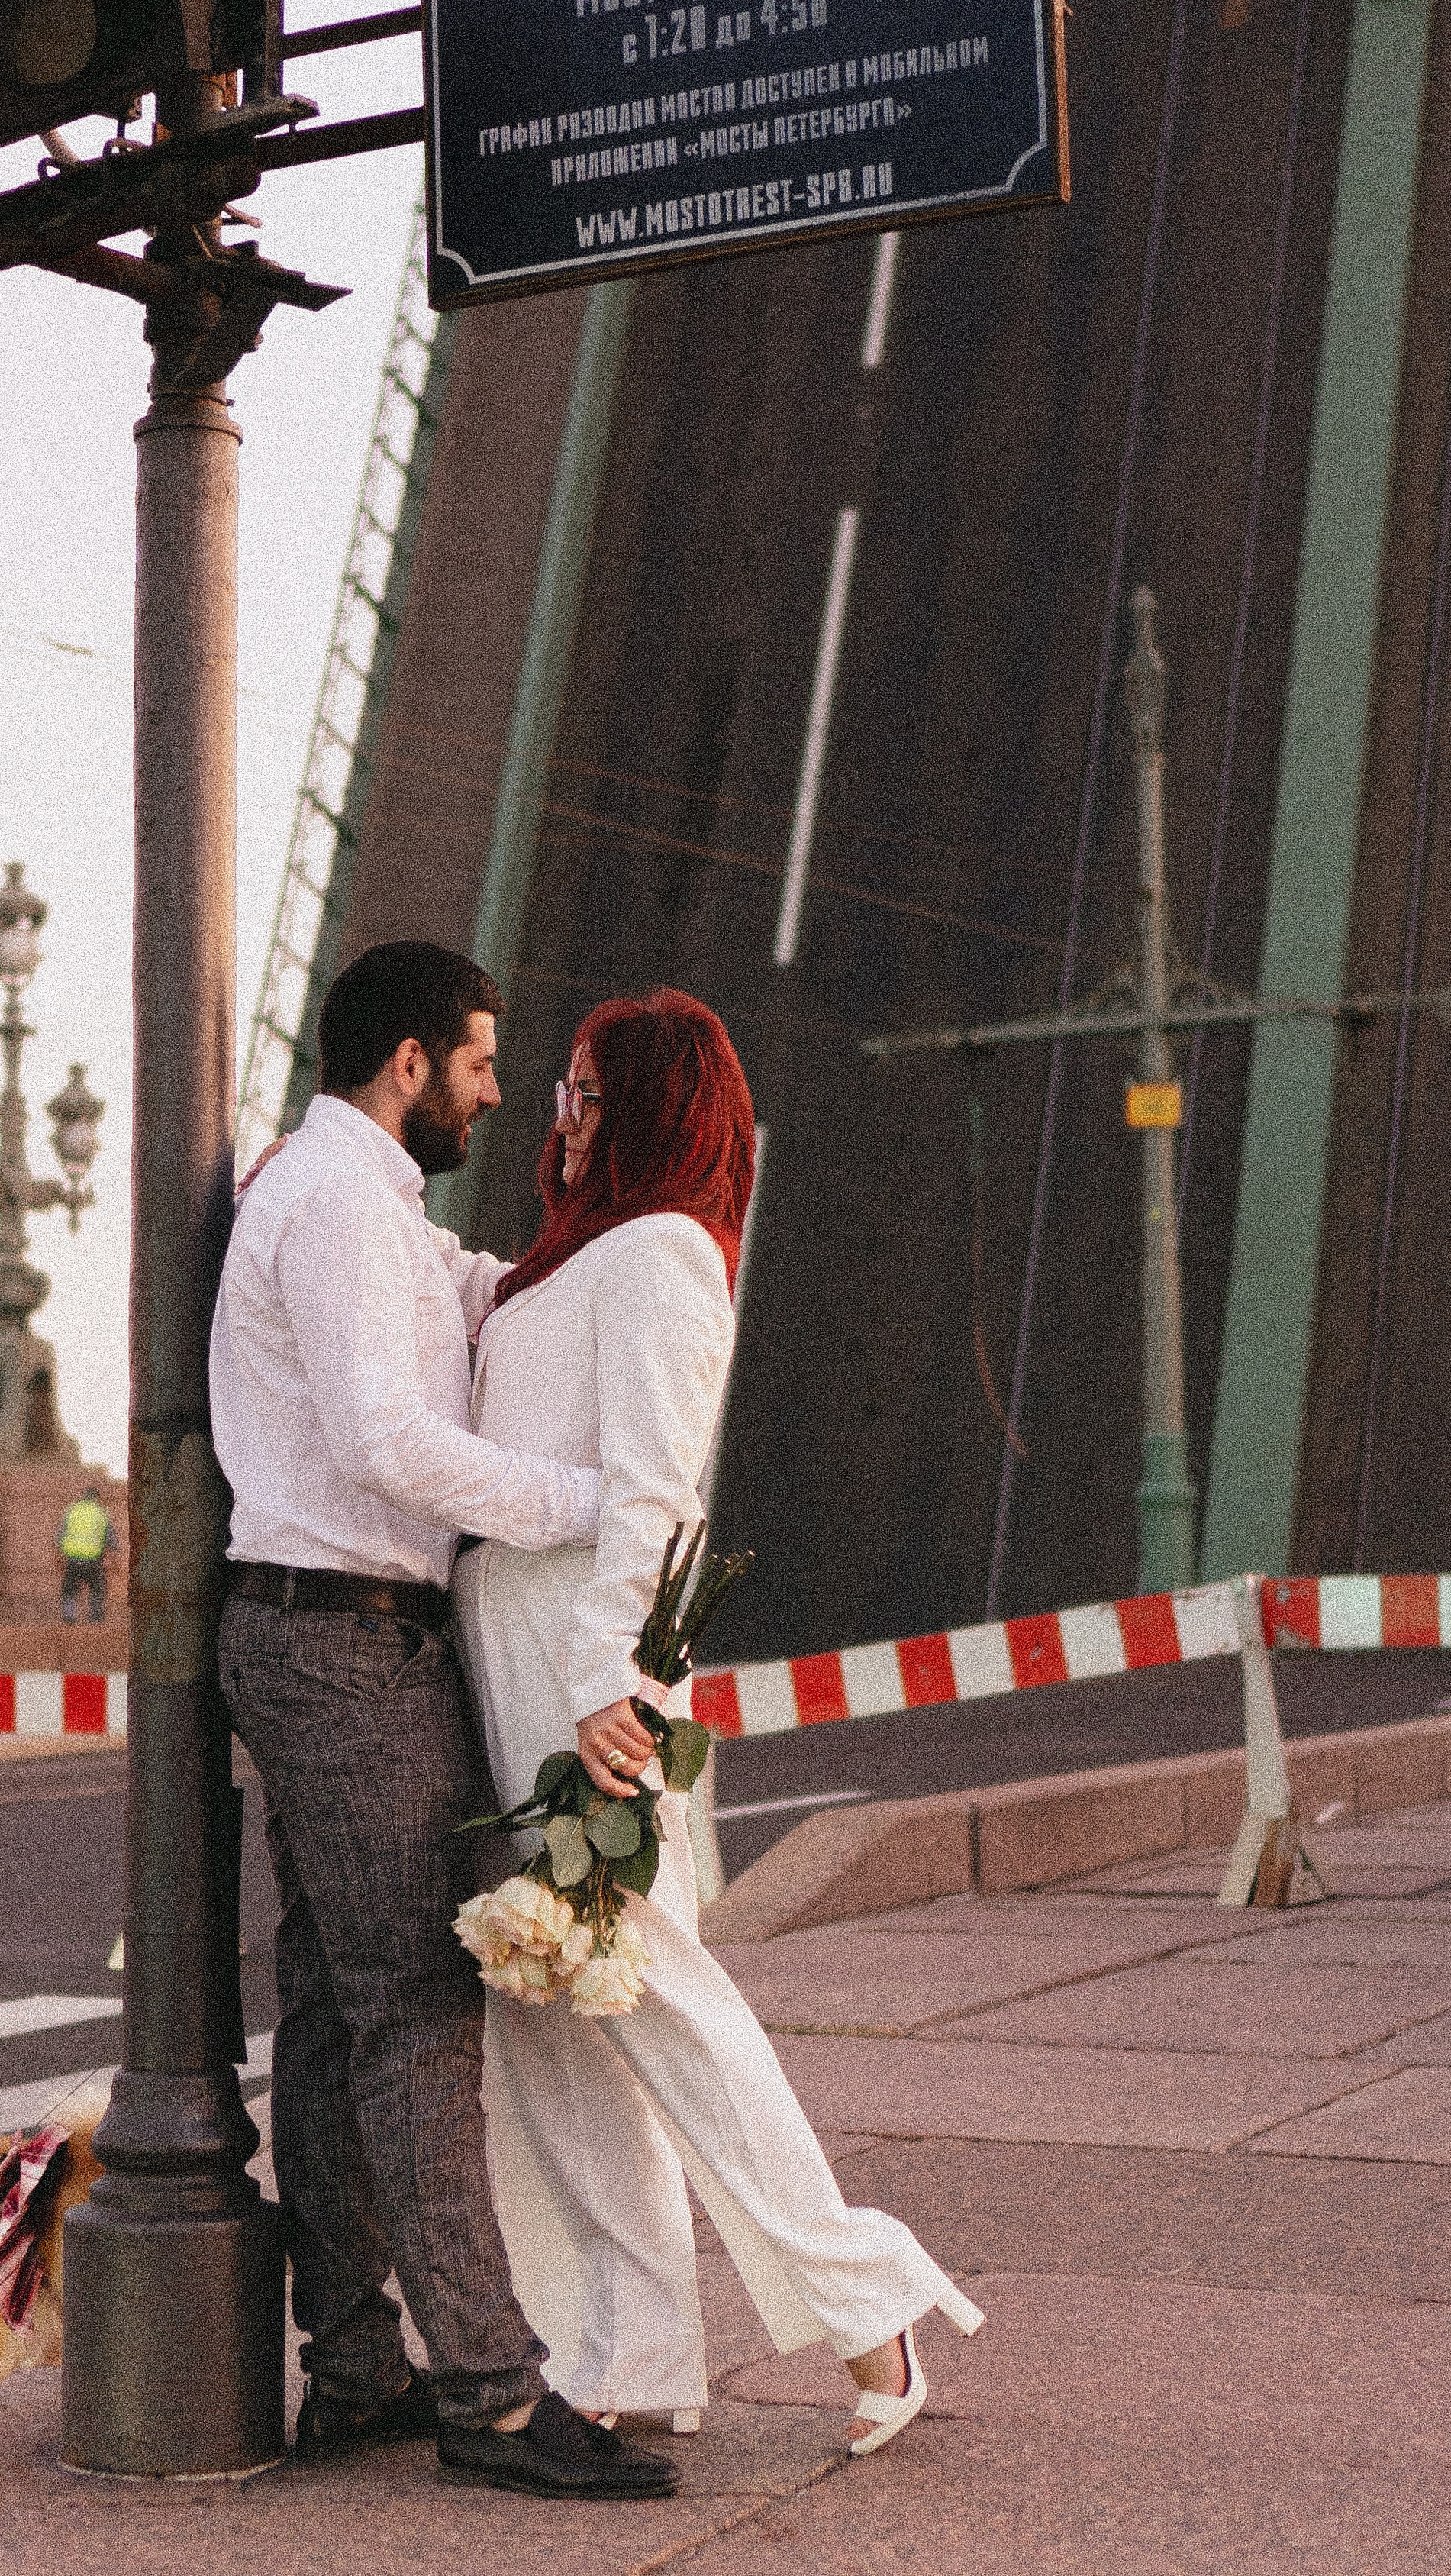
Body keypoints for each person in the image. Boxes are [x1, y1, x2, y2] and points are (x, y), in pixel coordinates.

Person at [454, 989, 983, 2454]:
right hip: (518, 1650)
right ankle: (630, 2351)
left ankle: (865, 2294)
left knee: (654, 1991)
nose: (562, 1115)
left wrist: (611, 1678)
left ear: (653, 1104)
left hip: (585, 1663)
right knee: (556, 2008)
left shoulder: (662, 1254)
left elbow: (658, 1491)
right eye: (561, 1089)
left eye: (587, 1091)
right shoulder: (571, 1258)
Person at [209, 940, 679, 2501]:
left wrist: (583, 1237)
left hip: (323, 1634)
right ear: (408, 1062)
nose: (493, 1091)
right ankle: (490, 2393)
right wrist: (590, 1502)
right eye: (479, 1063)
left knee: (340, 2012)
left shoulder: (370, 1207)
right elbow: (384, 1441)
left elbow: (487, 1301)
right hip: (342, 1642)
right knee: (418, 2009)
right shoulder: (340, 1206)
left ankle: (357, 2370)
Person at [57, 1488, 113, 1625]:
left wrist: (58, 1556)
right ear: (96, 1498)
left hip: (73, 1557)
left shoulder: (72, 1510)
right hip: (93, 1558)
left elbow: (61, 1533)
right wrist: (114, 1556)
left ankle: (68, 1613)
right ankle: (96, 1615)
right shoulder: (101, 1512)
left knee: (70, 1585)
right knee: (97, 1586)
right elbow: (110, 1537)